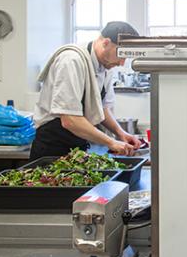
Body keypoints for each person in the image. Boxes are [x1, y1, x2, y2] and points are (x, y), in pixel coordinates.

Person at [30, 21, 141, 160]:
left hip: (77, 144)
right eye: (121, 55)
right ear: (105, 43)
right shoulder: (72, 60)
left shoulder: (106, 66)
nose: (122, 63)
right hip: (52, 146)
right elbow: (69, 120)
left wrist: (120, 133)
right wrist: (111, 142)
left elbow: (102, 108)